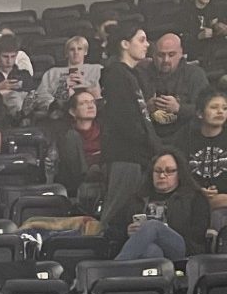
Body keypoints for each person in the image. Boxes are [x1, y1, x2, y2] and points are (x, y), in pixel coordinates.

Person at [99, 26, 157, 242]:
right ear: (125, 43)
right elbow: (127, 120)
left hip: (136, 155)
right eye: (141, 40)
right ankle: (100, 255)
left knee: (130, 215)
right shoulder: (116, 74)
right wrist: (154, 146)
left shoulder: (132, 74)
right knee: (115, 213)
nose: (147, 44)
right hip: (124, 156)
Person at [115, 148, 211, 259]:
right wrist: (126, 231)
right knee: (151, 251)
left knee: (153, 225)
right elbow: (113, 229)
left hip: (183, 248)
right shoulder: (138, 198)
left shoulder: (195, 198)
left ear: (179, 173)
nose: (162, 176)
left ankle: (117, 267)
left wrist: (164, 230)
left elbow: (198, 234)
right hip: (149, 250)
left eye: (169, 171)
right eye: (158, 171)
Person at [146, 33, 209, 149]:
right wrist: (146, 108)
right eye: (161, 55)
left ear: (181, 54)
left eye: (171, 54)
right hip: (150, 141)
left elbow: (206, 110)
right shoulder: (142, 74)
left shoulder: (195, 75)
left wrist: (179, 109)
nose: (166, 60)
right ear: (153, 55)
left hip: (186, 139)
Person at [54, 88, 106, 206]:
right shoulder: (66, 135)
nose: (90, 106)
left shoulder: (105, 131)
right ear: (72, 111)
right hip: (76, 182)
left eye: (93, 102)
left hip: (103, 177)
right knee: (72, 137)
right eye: (84, 103)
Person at [30, 36, 102, 120]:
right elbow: (41, 95)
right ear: (66, 53)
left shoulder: (97, 69)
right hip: (59, 112)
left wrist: (85, 84)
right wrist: (61, 92)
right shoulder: (52, 72)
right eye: (72, 49)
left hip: (92, 111)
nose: (76, 52)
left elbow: (104, 94)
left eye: (79, 49)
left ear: (85, 51)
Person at [187, 89, 227, 217]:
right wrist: (198, 192)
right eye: (214, 107)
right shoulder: (186, 139)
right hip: (193, 202)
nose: (220, 111)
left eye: (225, 108)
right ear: (200, 113)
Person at [178, 0, 227, 75]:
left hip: (214, 47)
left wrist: (220, 28)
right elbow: (182, 37)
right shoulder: (186, 11)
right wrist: (198, 36)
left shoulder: (214, 7)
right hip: (194, 49)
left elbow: (215, 23)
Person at [0, 32, 34, 120]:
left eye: (13, 56)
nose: (9, 61)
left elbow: (31, 95)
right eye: (5, 56)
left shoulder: (24, 75)